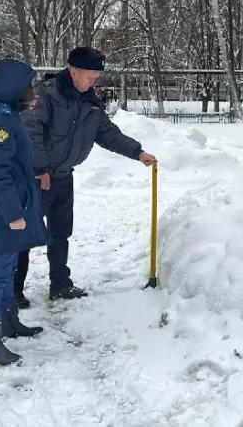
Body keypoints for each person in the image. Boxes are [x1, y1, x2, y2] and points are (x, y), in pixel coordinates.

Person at [15, 47, 157, 306]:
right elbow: (29, 129)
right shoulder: (43, 93)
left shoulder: (89, 102)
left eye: (97, 76)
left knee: (60, 232)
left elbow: (108, 134)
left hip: (63, 177)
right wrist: (40, 169)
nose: (95, 81)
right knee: (26, 232)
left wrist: (138, 153)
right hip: (36, 177)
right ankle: (13, 290)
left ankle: (60, 284)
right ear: (74, 71)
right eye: (91, 75)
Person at [0, 58, 51, 366]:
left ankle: (10, 322)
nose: (33, 91)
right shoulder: (1, 122)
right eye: (28, 86)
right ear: (13, 88)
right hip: (4, 207)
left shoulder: (8, 114)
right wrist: (12, 213)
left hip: (15, 202)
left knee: (7, 268)